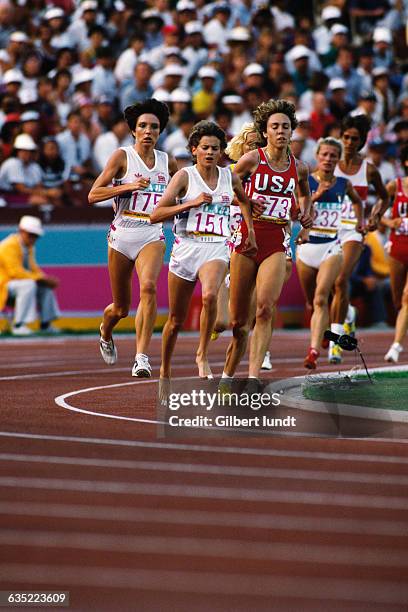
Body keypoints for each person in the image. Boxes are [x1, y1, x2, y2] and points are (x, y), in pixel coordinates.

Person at [150, 120, 257, 381]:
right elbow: (156, 214)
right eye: (205, 148)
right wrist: (190, 204)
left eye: (215, 148)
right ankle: (165, 368)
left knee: (210, 295)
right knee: (175, 320)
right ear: (194, 149)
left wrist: (250, 229)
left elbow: (243, 200)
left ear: (222, 152)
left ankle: (203, 355)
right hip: (186, 246)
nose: (210, 153)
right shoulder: (184, 177)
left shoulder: (228, 176)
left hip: (216, 245)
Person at [221, 99, 313, 382]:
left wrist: (305, 216)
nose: (281, 131)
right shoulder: (251, 160)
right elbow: (224, 186)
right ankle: (227, 375)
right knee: (237, 322)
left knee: (264, 309)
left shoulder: (299, 167)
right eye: (275, 126)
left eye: (286, 126)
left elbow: (305, 192)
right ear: (265, 131)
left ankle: (253, 377)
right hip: (248, 238)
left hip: (276, 239)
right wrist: (246, 200)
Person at [88, 99, 177, 377]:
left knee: (149, 288)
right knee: (121, 308)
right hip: (122, 235)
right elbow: (93, 195)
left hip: (152, 232)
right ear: (133, 131)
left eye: (154, 127)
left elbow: (184, 191)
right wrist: (127, 186)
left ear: (160, 131)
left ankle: (141, 357)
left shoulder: (167, 161)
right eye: (143, 126)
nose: (148, 131)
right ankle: (106, 328)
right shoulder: (121, 157)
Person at [296, 137, 363, 369]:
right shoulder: (304, 181)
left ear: (338, 158)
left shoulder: (343, 184)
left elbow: (357, 203)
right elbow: (295, 210)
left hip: (331, 247)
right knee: (311, 303)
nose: (328, 159)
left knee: (321, 297)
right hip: (306, 248)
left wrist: (361, 222)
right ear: (317, 156)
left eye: (333, 155)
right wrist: (315, 196)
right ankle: (327, 333)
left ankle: (313, 352)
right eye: (324, 154)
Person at [329, 114, 389, 363]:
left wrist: (375, 216)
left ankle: (335, 343)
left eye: (355, 138)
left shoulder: (369, 170)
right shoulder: (329, 165)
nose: (350, 142)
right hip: (328, 230)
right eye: (346, 137)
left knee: (342, 280)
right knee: (327, 290)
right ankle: (349, 314)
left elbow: (385, 197)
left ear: (363, 141)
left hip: (354, 229)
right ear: (340, 139)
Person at [0, 215, 60, 336]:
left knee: (45, 288)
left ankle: (45, 324)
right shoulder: (8, 246)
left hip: (16, 285)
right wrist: (41, 278)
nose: (33, 238)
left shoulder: (28, 247)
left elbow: (33, 268)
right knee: (28, 285)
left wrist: (44, 279)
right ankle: (19, 325)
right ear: (21, 231)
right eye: (31, 234)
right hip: (4, 285)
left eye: (35, 236)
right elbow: (14, 272)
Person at [382, 146, 408, 362]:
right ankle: (402, 330)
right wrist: (391, 221)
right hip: (397, 247)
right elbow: (377, 213)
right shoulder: (394, 186)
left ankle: (396, 346)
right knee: (398, 300)